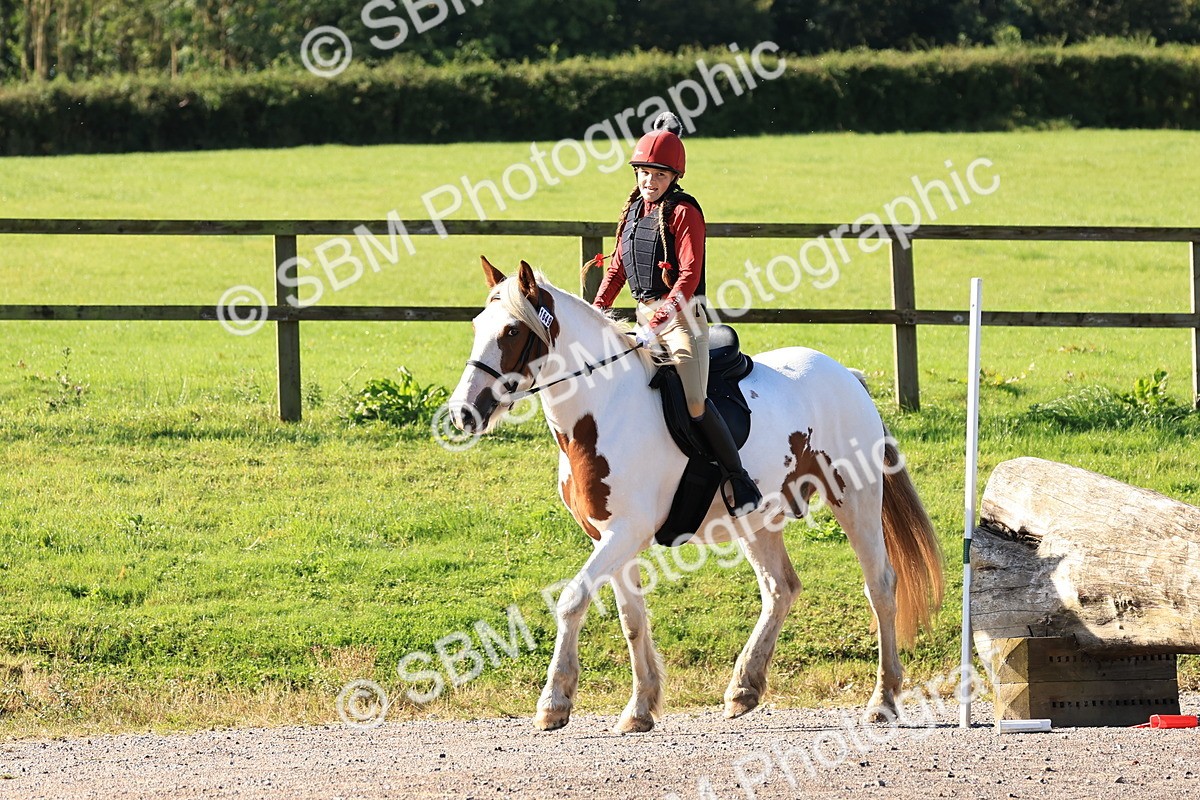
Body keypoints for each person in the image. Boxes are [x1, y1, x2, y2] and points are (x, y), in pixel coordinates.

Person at [591, 112, 763, 516]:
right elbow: (617, 267)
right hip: (642, 318)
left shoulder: (684, 212)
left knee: (694, 402)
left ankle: (739, 478)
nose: (649, 182)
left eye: (658, 176)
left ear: (673, 177)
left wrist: (657, 324)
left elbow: (687, 277)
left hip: (683, 320)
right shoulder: (634, 210)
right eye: (644, 173)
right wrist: (597, 309)